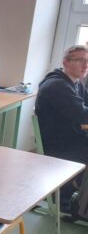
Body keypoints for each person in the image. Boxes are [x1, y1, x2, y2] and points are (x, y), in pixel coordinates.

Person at [35, 45, 88, 214]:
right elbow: (83, 114)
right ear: (65, 63)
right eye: (81, 60)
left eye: (87, 61)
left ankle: (73, 192)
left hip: (70, 137)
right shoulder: (57, 86)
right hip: (58, 144)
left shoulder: (76, 82)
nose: (86, 65)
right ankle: (69, 195)